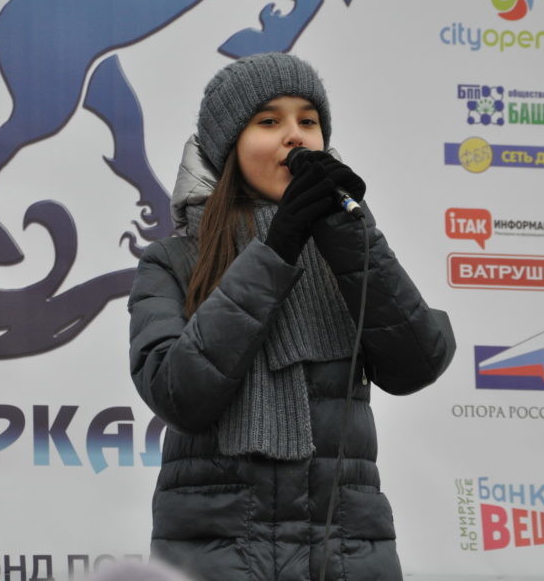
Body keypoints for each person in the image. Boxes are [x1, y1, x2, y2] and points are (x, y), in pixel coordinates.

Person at [128, 52, 455, 581]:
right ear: (228, 146)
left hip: (344, 555)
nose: (295, 136)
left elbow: (417, 363)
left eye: (308, 121)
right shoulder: (173, 261)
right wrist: (276, 249)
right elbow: (178, 394)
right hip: (219, 556)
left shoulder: (347, 245)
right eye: (268, 121)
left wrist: (349, 238)